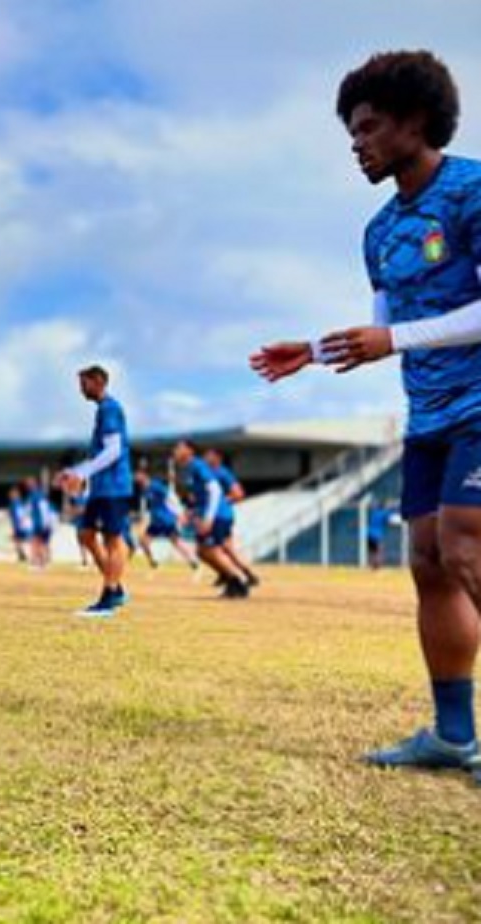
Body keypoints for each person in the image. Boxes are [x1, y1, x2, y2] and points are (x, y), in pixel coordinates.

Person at [250, 51, 481, 781]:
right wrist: (313, 352)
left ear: (417, 121)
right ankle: (452, 736)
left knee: (466, 545)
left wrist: (397, 340)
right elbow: (385, 328)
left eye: (370, 127)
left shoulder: (473, 189)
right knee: (428, 563)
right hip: (429, 414)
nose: (358, 143)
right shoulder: (379, 231)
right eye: (352, 132)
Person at [59, 365, 134, 617]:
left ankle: (109, 597)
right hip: (101, 488)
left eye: (84, 384)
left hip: (114, 487)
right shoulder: (103, 410)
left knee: (114, 540)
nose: (81, 390)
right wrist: (77, 470)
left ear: (98, 381)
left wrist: (82, 473)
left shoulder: (109, 408)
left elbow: (113, 451)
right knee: (86, 535)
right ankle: (117, 588)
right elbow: (100, 453)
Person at [172, 441, 251, 599]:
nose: (175, 451)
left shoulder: (197, 465)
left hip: (217, 515)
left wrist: (208, 518)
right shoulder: (188, 468)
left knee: (212, 550)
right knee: (203, 551)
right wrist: (190, 513)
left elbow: (214, 490)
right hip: (213, 514)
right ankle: (232, 580)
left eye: (179, 448)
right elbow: (200, 497)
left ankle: (239, 581)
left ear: (189, 450)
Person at [204, 448, 261, 587]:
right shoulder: (209, 473)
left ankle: (230, 575)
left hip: (220, 516)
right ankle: (248, 574)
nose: (206, 457)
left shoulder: (223, 473)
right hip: (222, 515)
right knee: (228, 549)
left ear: (218, 457)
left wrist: (221, 501)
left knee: (211, 549)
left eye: (209, 455)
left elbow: (238, 494)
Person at [134, 469, 200, 573]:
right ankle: (153, 561)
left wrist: (180, 513)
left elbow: (170, 497)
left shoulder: (156, 486)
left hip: (165, 519)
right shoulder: (144, 490)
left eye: (137, 474)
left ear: (144, 475)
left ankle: (192, 560)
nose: (135, 477)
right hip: (156, 520)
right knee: (145, 541)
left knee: (175, 541)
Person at [367, 500, 398, 569]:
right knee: (379, 551)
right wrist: (392, 506)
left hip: (369, 533)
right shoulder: (383, 513)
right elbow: (390, 517)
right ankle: (377, 566)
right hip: (377, 534)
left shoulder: (374, 513)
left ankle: (372, 565)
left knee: (371, 551)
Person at [7, 484, 32, 564]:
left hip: (20, 525)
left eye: (13, 493)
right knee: (18, 540)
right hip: (19, 525)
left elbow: (18, 514)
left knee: (23, 540)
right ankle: (22, 555)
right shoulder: (19, 502)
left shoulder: (15, 503)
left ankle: (24, 555)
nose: (11, 495)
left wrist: (20, 524)